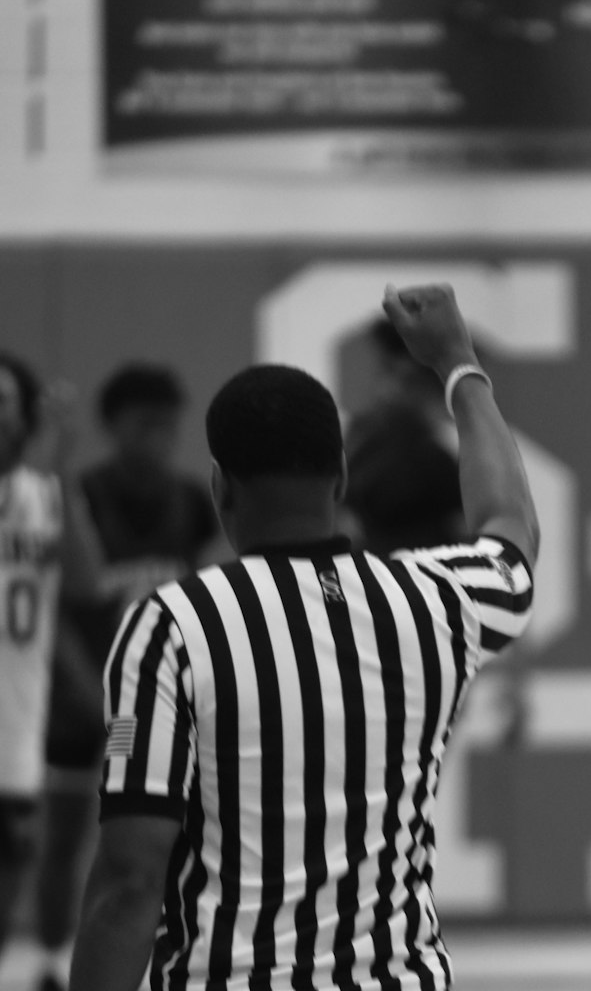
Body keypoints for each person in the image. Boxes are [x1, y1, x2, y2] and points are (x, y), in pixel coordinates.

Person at [68, 283, 539, 991]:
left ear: (222, 489)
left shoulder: (169, 628)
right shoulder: (435, 601)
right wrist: (458, 366)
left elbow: (130, 882)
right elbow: (510, 528)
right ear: (341, 477)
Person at [35, 363, 219, 991]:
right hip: (83, 698)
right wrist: (89, 691)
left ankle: (162, 950)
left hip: (158, 699)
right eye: (145, 427)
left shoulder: (192, 501)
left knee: (157, 838)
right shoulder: (79, 496)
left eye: (169, 428)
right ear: (114, 428)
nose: (159, 440)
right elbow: (59, 609)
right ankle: (52, 960)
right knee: (64, 834)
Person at [0, 353, 103, 966]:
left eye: (6, 399)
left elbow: (89, 583)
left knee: (16, 849)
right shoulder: (20, 489)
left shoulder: (42, 490)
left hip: (19, 706)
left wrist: (59, 478)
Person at [341, 316, 465, 553]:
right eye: (385, 369)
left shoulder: (449, 449)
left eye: (407, 378)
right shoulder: (359, 439)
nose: (387, 390)